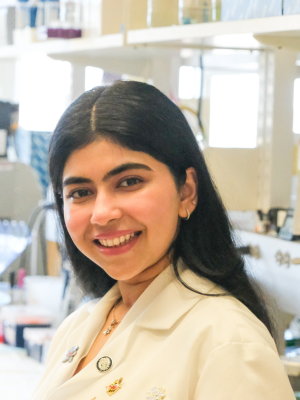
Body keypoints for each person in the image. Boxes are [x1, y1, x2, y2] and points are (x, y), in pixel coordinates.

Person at [31, 81, 294, 400]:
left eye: (129, 182)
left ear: (186, 192)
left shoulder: (228, 343)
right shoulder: (78, 326)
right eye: (81, 192)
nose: (102, 214)